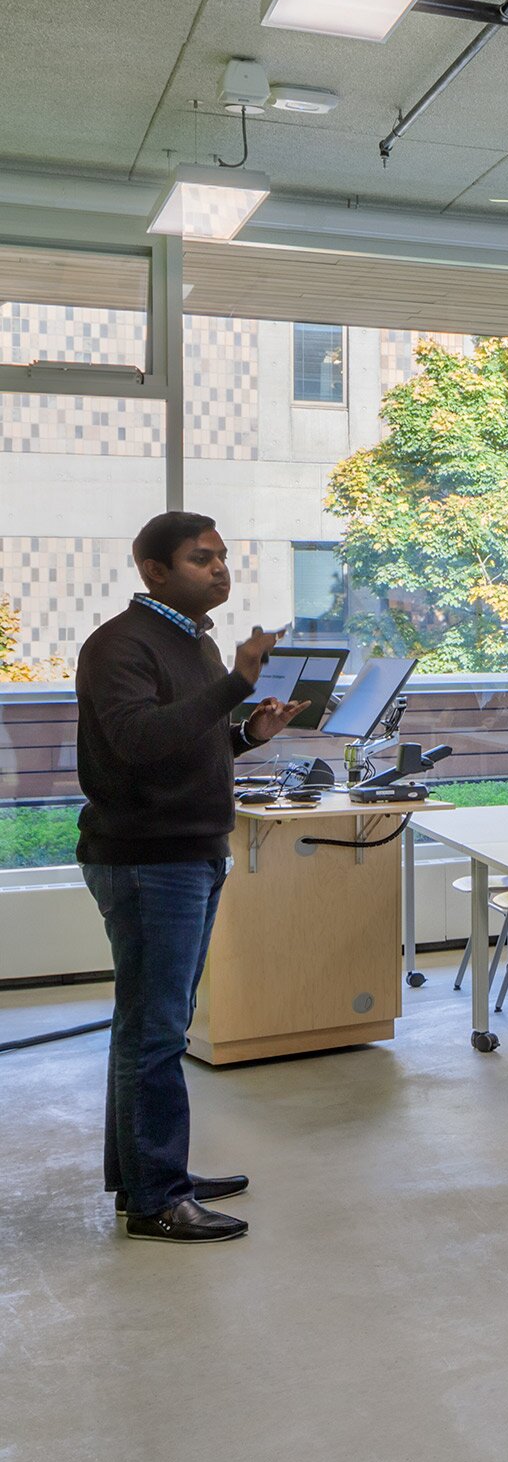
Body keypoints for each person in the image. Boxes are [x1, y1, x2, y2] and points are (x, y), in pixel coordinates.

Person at [73, 512, 292, 1243]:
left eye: (224, 558)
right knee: (156, 1033)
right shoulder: (120, 646)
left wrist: (246, 734)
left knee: (150, 1027)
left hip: (190, 851)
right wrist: (235, 683)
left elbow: (187, 740)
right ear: (153, 570)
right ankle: (156, 1199)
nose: (221, 570)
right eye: (203, 559)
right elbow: (137, 742)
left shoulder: (190, 641)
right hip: (146, 860)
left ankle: (146, 1173)